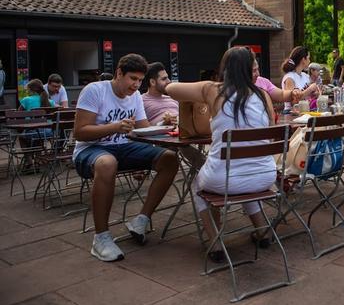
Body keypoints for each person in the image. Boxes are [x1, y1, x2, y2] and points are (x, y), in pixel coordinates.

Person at [165, 47, 277, 261]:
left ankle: (216, 242)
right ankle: (262, 230)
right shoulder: (263, 95)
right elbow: (270, 135)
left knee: (198, 184)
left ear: (225, 68)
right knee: (242, 174)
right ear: (249, 69)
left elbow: (171, 89)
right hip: (265, 176)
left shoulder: (212, 90)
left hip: (225, 180)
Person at [73, 54, 179, 262]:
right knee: (107, 163)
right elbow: (80, 132)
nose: (136, 85)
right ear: (119, 73)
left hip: (125, 146)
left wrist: (165, 124)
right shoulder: (95, 90)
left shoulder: (135, 96)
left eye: (140, 80)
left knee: (170, 159)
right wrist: (114, 127)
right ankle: (101, 238)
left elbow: (144, 130)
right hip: (90, 149)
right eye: (132, 79)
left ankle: (141, 220)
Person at [141, 62, 204, 169]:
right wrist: (163, 123)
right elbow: (143, 128)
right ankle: (208, 170)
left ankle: (208, 171)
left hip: (184, 133)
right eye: (164, 79)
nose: (169, 81)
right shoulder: (141, 100)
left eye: (168, 78)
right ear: (152, 82)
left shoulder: (172, 98)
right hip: (163, 139)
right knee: (182, 145)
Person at [281, 46, 317, 113]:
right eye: (308, 58)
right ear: (303, 60)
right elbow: (293, 102)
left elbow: (308, 96)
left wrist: (315, 94)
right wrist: (310, 89)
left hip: (305, 111)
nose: (309, 61)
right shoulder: (289, 78)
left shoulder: (305, 76)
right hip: (291, 114)